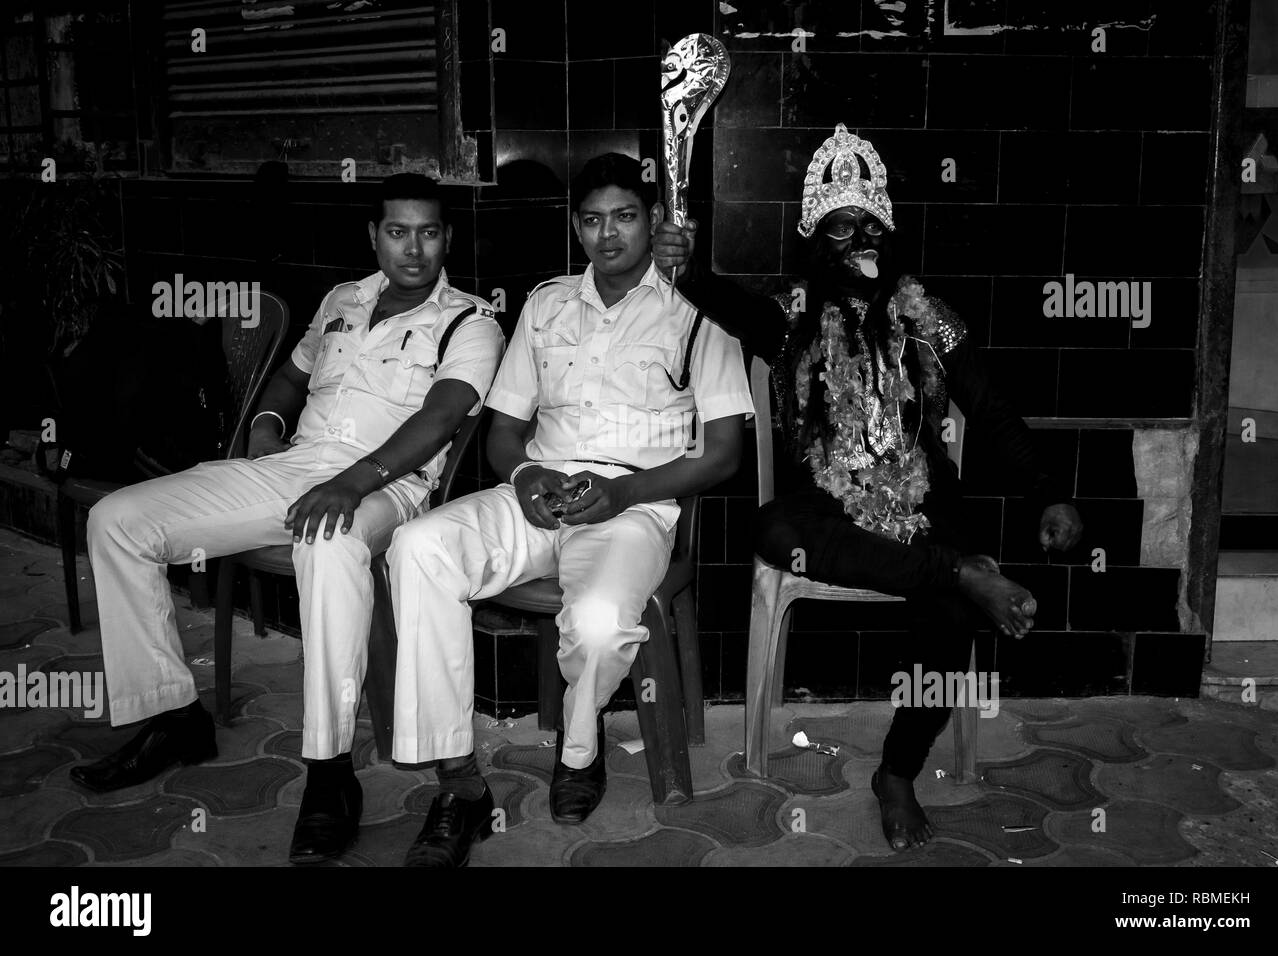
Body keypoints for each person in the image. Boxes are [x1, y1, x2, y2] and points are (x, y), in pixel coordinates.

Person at [652, 124, 1084, 851]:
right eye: (841, 223)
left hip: (925, 503)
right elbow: (730, 306)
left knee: (951, 621)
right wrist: (687, 268)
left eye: (872, 221)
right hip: (832, 510)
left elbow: (992, 406)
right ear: (814, 237)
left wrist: (1047, 491)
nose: (861, 235)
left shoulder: (930, 318)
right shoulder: (790, 317)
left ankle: (897, 773)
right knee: (773, 532)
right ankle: (960, 572)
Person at [70, 174, 505, 865]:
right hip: (293, 470)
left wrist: (351, 482)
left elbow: (441, 418)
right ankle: (173, 714)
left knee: (327, 541)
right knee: (118, 519)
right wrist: (268, 425)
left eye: (428, 232)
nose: (413, 248)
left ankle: (329, 773)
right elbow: (292, 376)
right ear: (374, 236)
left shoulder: (471, 320)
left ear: (447, 238)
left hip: (386, 485)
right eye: (397, 231)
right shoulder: (341, 300)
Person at [385, 153, 754, 867]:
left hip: (631, 504)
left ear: (652, 220)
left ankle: (579, 747)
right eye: (592, 220)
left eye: (624, 217)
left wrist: (623, 492)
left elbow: (723, 454)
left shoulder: (697, 310)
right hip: (538, 494)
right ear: (574, 227)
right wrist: (524, 476)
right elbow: (502, 430)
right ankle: (457, 778)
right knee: (417, 547)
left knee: (599, 621)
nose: (608, 235)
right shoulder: (547, 302)